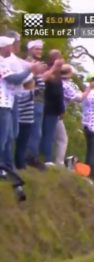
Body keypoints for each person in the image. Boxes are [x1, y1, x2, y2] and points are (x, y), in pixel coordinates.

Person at [0, 36, 42, 169]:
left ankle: (7, 167)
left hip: (8, 102)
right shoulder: (1, 62)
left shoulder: (5, 61)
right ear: (3, 47)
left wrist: (31, 70)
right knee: (3, 139)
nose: (12, 47)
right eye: (10, 45)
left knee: (8, 138)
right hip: (2, 104)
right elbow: (15, 79)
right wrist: (31, 70)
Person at [25, 40, 50, 170]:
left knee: (37, 130)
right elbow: (27, 80)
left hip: (40, 98)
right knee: (34, 129)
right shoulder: (29, 63)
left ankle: (32, 156)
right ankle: (30, 157)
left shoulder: (37, 64)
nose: (39, 51)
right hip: (33, 98)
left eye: (40, 49)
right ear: (30, 50)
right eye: (36, 49)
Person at [40, 49, 65, 165]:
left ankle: (45, 157)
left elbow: (69, 70)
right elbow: (57, 94)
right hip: (50, 108)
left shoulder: (57, 73)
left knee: (47, 133)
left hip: (51, 108)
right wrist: (61, 109)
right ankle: (47, 158)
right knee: (48, 134)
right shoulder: (50, 72)